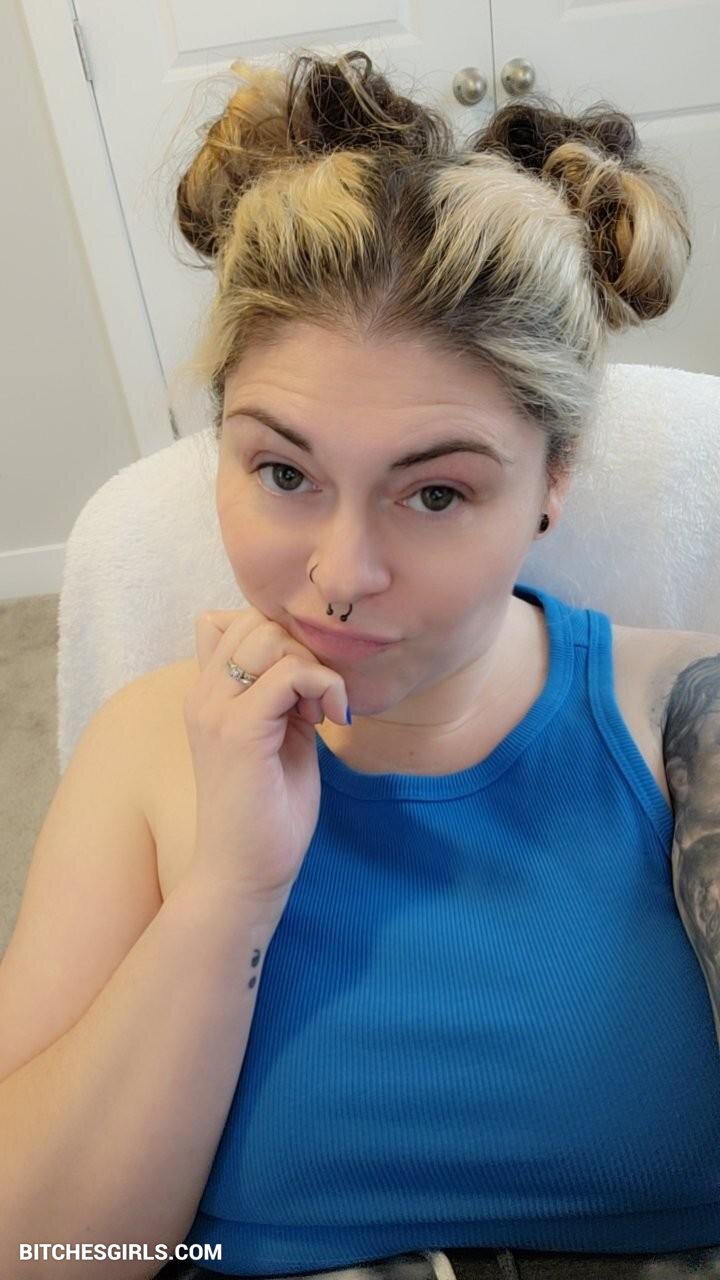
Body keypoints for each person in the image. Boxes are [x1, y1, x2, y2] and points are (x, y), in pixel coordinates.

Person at [3, 45, 719, 1280]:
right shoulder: (148, 747)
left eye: (434, 493)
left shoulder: (677, 722)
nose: (338, 575)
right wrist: (229, 892)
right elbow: (40, 1245)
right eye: (283, 471)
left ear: (552, 483)